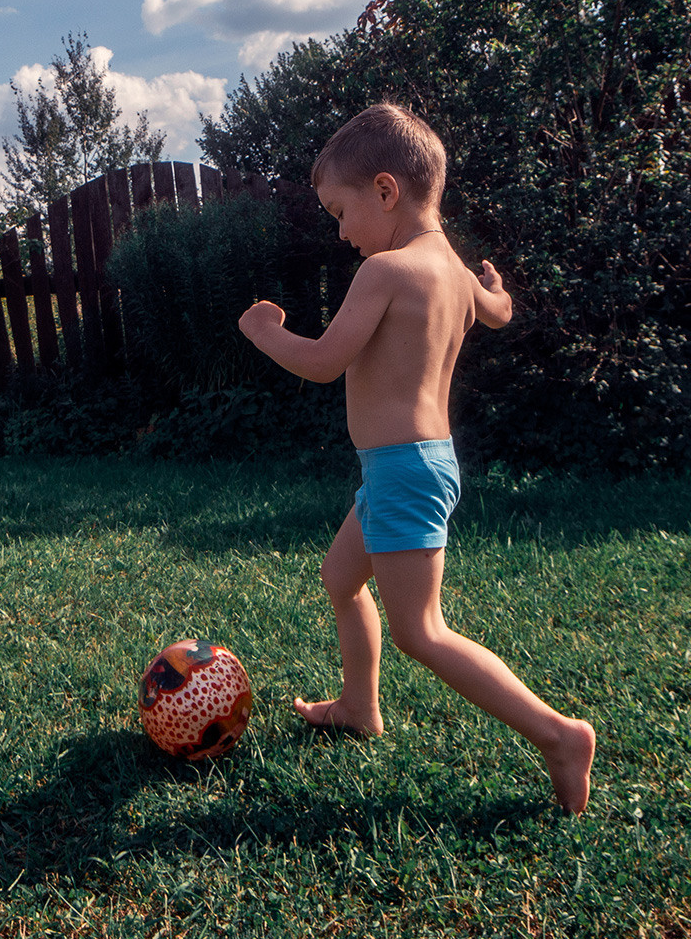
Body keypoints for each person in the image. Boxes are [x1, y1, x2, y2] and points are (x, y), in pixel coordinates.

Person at [237, 103, 595, 814]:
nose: (341, 232)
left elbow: (323, 361)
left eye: (340, 212)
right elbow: (499, 311)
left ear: (385, 190)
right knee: (340, 578)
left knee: (421, 630)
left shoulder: (385, 271)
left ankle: (559, 735)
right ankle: (358, 705)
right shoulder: (453, 271)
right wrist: (497, 289)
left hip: (403, 468)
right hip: (409, 465)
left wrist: (264, 332)